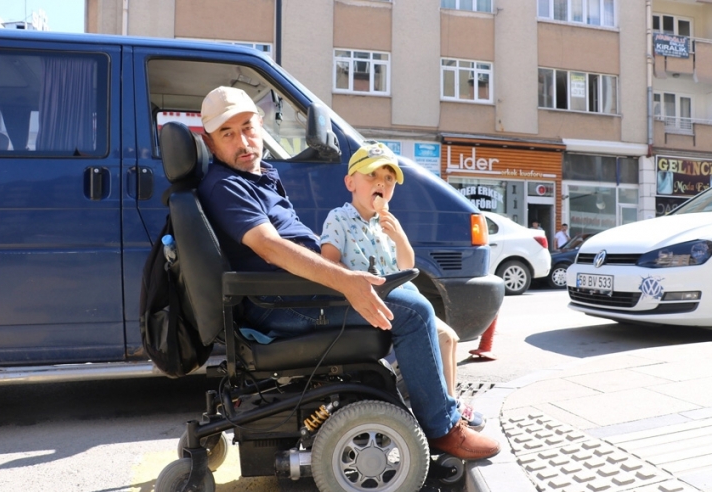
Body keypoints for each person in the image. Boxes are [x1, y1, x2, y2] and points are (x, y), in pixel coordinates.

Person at [195, 86, 499, 460]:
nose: (243, 141)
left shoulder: (260, 176)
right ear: (210, 142)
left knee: (407, 297)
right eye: (228, 133)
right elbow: (269, 247)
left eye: (248, 127)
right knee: (414, 312)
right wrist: (345, 281)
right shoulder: (227, 185)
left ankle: (427, 403)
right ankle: (442, 428)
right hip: (279, 302)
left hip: (299, 292)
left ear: (260, 125)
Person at [318, 141, 483, 430]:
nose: (381, 183)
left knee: (450, 338)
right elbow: (329, 261)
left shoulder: (387, 223)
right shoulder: (339, 218)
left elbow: (407, 266)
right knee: (440, 335)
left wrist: (400, 237)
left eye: (389, 179)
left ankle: (449, 405)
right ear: (350, 182)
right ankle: (444, 416)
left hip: (400, 293)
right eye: (372, 176)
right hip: (367, 299)